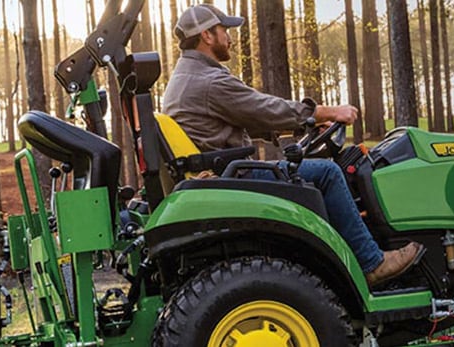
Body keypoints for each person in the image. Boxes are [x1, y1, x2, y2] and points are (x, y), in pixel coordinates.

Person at [162, 4, 421, 287]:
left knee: (319, 172)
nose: (230, 37)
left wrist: (305, 126)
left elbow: (244, 118)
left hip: (219, 171)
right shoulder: (209, 80)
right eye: (224, 30)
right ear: (207, 36)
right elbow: (264, 108)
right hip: (232, 176)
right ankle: (373, 262)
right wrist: (326, 112)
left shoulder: (185, 77)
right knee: (328, 173)